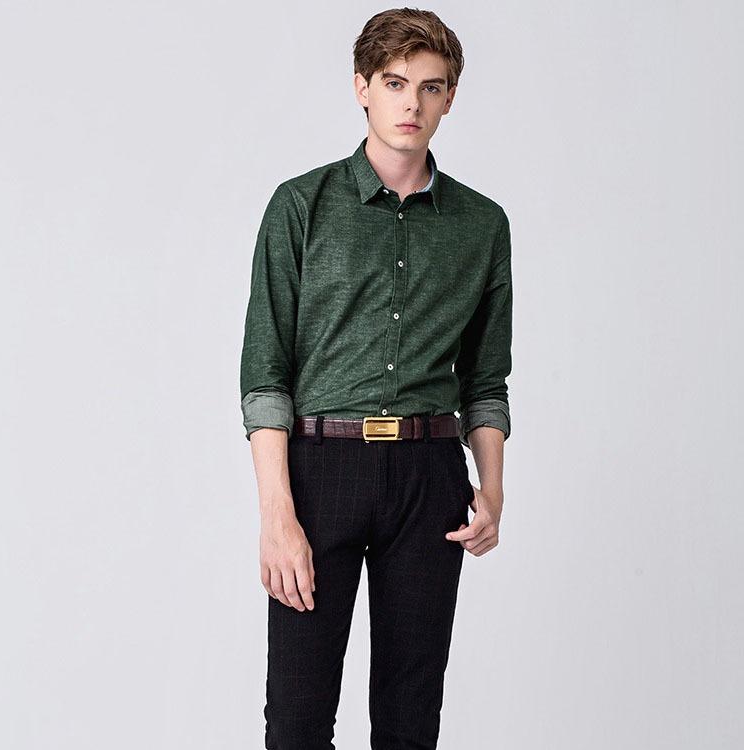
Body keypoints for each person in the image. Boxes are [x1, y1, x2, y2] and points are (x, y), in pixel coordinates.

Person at [239, 8, 513, 749]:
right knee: (296, 721)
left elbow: (486, 381)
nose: (411, 104)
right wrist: (277, 514)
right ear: (362, 87)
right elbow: (265, 375)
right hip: (320, 470)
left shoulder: (482, 225)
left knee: (410, 721)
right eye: (395, 84)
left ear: (450, 98)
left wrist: (491, 489)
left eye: (430, 87)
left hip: (430, 475)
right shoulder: (301, 206)